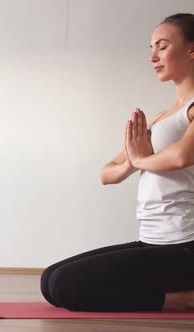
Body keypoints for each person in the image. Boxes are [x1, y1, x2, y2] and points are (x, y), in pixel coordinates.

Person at [40, 13, 194, 312]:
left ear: (191, 49)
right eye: (151, 48)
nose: (153, 56)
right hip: (153, 241)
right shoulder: (163, 116)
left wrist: (140, 158)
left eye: (162, 46)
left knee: (64, 286)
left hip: (184, 245)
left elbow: (181, 156)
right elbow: (106, 173)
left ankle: (184, 299)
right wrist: (131, 164)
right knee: (49, 280)